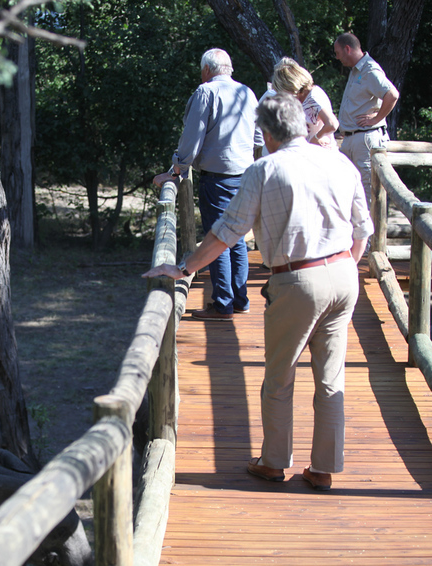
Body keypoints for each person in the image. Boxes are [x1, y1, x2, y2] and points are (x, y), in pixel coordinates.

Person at [143, 94, 373, 491]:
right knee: (331, 378)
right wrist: (346, 266)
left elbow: (225, 233)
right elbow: (363, 229)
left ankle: (273, 461)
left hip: (298, 280)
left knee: (280, 376)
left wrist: (184, 269)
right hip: (344, 274)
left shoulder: (266, 169)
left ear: (266, 133)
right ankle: (323, 468)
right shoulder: (339, 161)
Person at [153, 48, 257, 321]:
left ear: (206, 70)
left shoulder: (206, 92)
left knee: (217, 237)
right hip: (246, 175)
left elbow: (192, 137)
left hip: (218, 178)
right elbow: (258, 136)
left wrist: (177, 169)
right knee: (237, 239)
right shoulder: (248, 93)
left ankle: (223, 303)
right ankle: (240, 299)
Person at [334, 32, 400, 206]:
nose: (337, 57)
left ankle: (372, 233)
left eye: (338, 52)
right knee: (350, 190)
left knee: (368, 192)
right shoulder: (356, 71)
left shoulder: (369, 69)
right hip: (352, 139)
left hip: (365, 139)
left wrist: (376, 118)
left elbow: (392, 94)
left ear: (347, 49)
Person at [270, 57, 339, 150]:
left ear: (290, 85)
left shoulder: (313, 97)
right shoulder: (301, 98)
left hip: (322, 155)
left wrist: (315, 139)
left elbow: (332, 124)